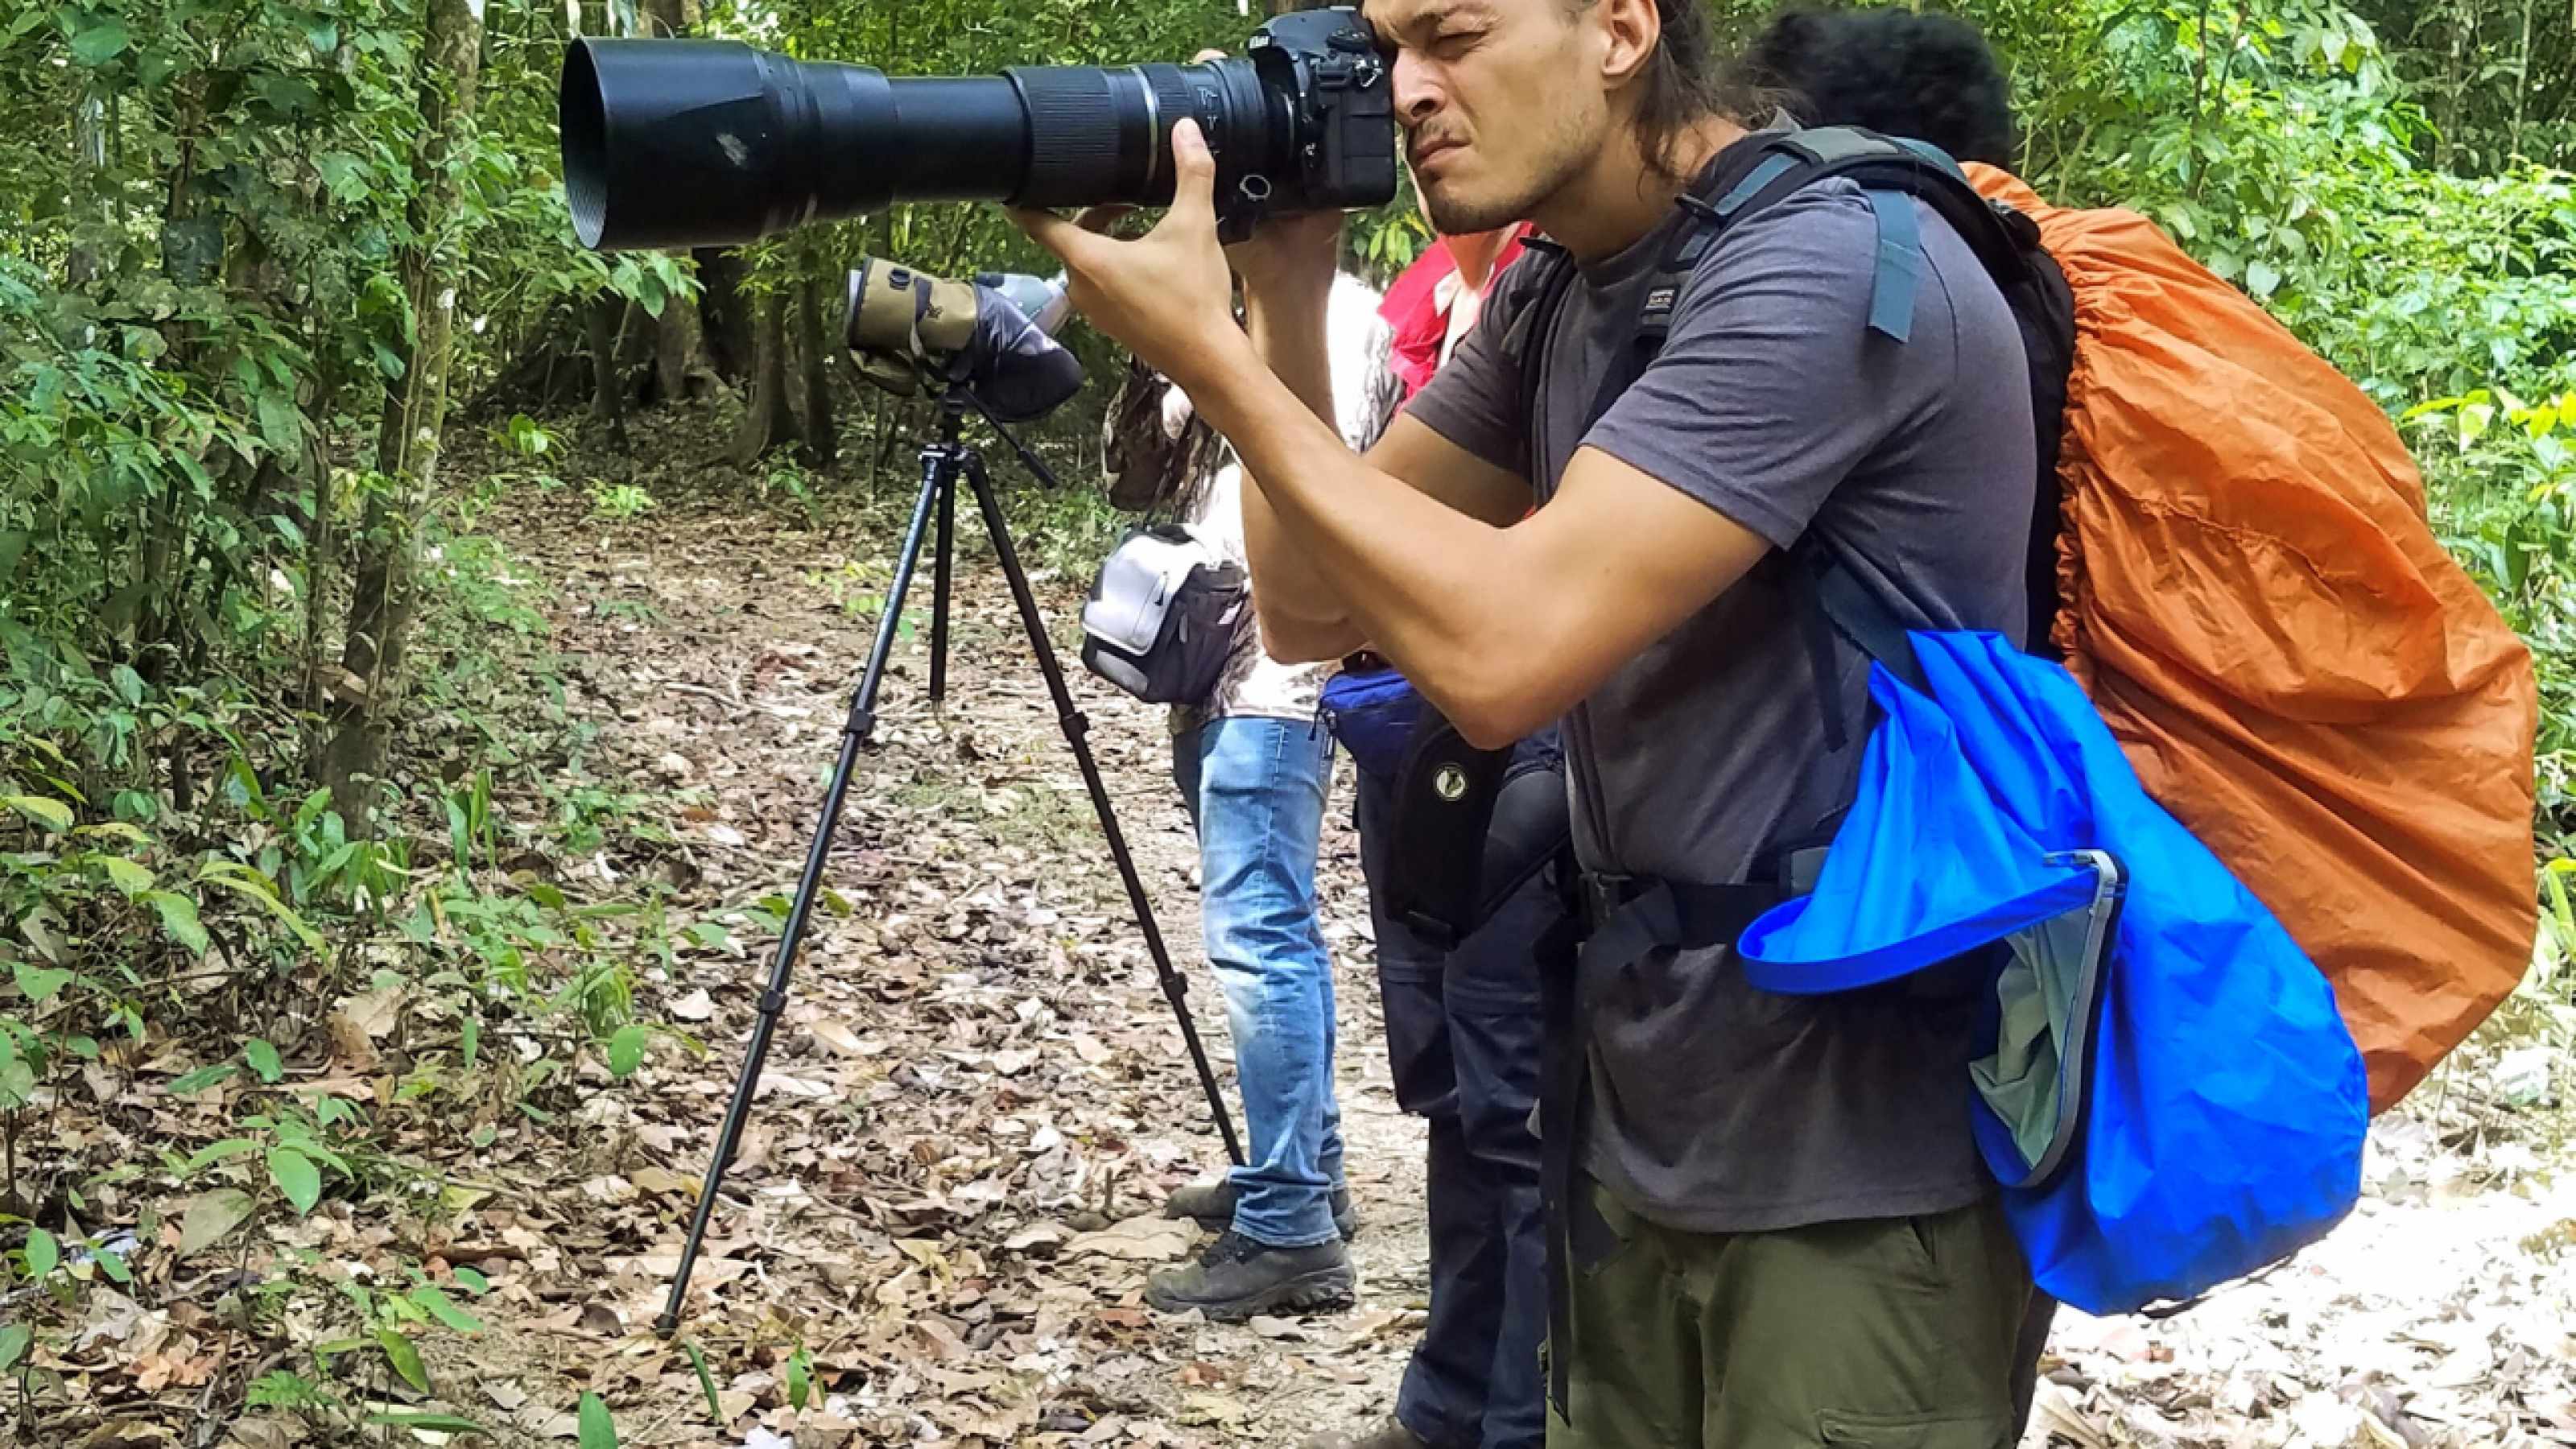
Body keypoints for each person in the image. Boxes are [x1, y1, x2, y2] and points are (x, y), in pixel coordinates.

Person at [1017, 0, 2048, 1439]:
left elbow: (1503, 657)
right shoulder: (1566, 284)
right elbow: (1316, 607)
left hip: (1860, 1161)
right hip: (1640, 1112)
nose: (1409, 89)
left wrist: (1212, 362)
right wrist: (1285, 283)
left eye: (1455, 35)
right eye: (1385, 54)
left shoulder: (1824, 267)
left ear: (1622, 27)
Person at [1102, 267, 1405, 1323]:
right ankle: (1302, 1172)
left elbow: (1340, 481)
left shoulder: (1343, 320)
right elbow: (1134, 477)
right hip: (1205, 672)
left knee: (1259, 936)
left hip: (1283, 674)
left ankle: (1289, 1228)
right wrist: (1158, 337)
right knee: (1267, 931)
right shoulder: (1204, 314)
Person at [1307, 208, 1560, 1449]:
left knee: (1518, 1110)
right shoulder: (1433, 291)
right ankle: (1447, 1400)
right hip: (1414, 733)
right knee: (1453, 1091)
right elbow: (1346, 522)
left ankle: (1513, 1420)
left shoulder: (1557, 279)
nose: (1412, 101)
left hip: (1524, 730)